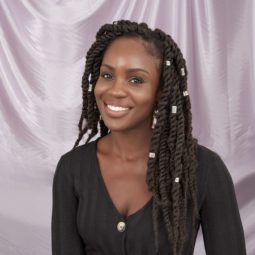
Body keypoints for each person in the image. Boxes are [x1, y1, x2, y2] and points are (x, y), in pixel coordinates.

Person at [51, 20, 246, 255]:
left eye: (136, 80)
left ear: (161, 92)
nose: (115, 90)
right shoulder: (72, 168)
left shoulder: (204, 169)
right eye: (107, 75)